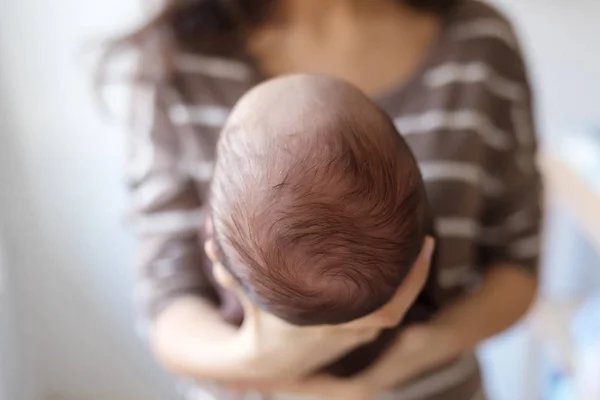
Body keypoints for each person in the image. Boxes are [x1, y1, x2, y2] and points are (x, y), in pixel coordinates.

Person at [110, 0, 542, 398]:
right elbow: (166, 297)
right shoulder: (177, 57)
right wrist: (262, 361)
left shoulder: (480, 45)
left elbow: (518, 262)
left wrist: (403, 361)